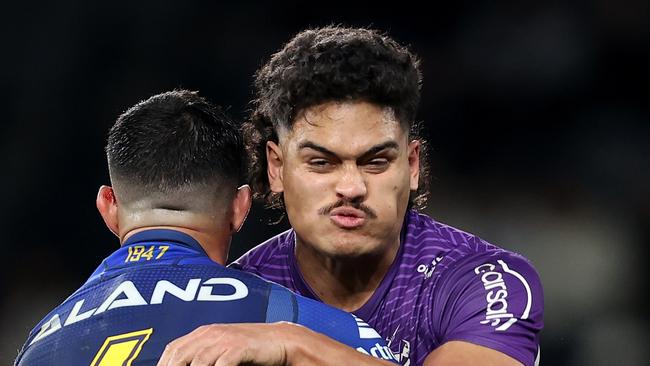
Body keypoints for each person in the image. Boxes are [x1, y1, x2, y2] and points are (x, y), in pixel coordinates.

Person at [160, 27, 544, 366]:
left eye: (375, 162)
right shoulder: (236, 295)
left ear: (411, 166)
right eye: (321, 163)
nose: (351, 187)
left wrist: (292, 344)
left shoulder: (483, 281)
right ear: (276, 167)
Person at [14, 90, 396, 365]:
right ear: (240, 207)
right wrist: (293, 344)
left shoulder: (38, 344)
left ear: (108, 206)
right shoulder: (296, 320)